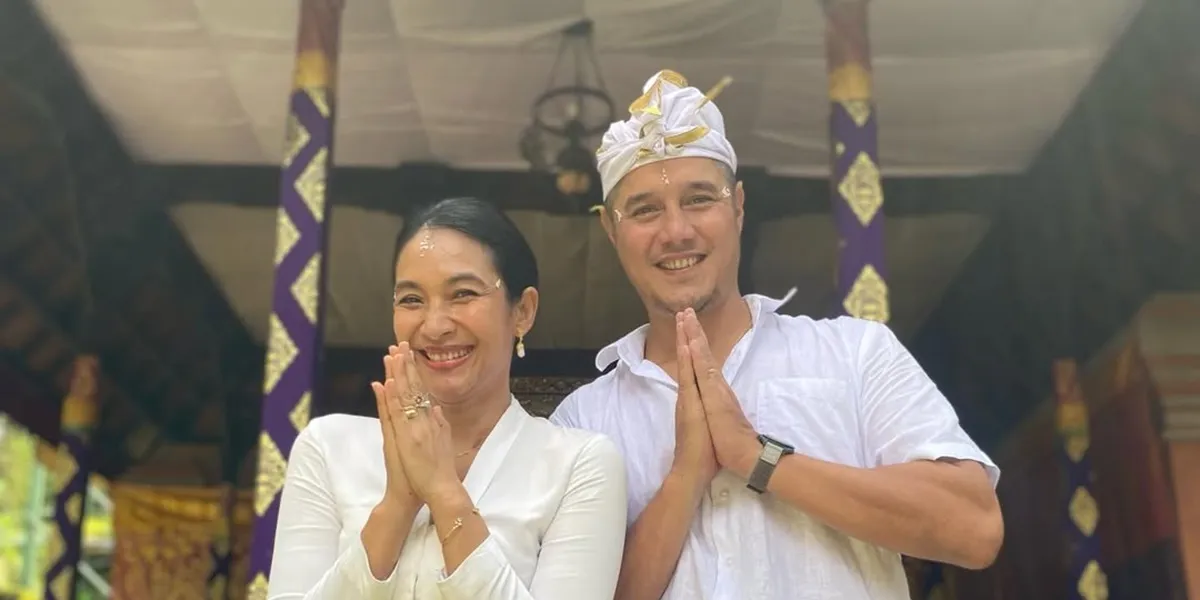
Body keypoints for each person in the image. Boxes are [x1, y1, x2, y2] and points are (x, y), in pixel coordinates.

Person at [550, 69, 1004, 599]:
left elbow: (973, 528)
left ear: (738, 207)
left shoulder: (852, 353)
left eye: (700, 199)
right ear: (610, 230)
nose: (675, 231)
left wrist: (755, 456)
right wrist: (685, 475)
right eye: (646, 210)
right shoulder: (583, 421)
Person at [267, 197, 628, 600]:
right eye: (411, 300)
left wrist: (444, 492)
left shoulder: (578, 466)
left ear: (523, 311)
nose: (435, 326)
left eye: (463, 294)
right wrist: (397, 505)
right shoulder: (328, 448)